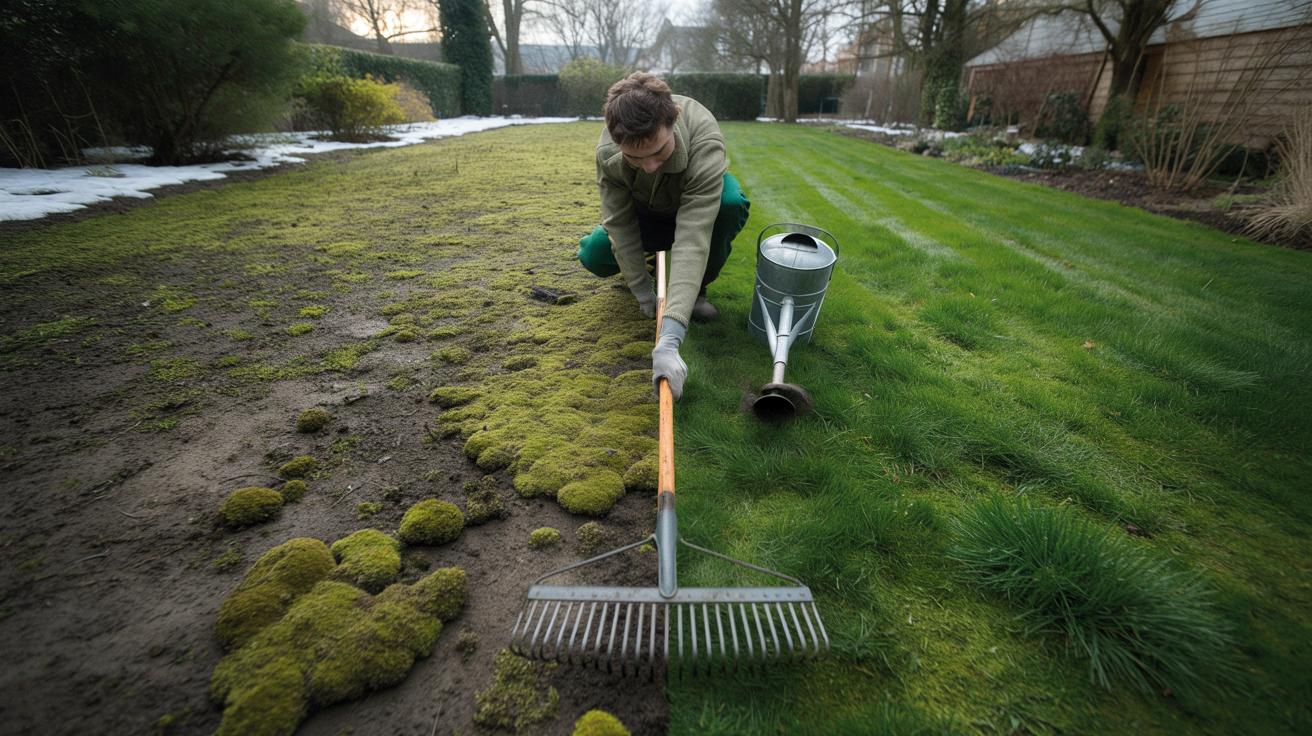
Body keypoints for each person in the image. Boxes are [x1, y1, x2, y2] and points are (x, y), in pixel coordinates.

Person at [577, 73, 750, 400]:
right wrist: (643, 291)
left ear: (674, 122)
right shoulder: (608, 153)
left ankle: (696, 291)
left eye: (659, 151)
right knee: (594, 254)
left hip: (697, 206)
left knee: (730, 205)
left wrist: (670, 338)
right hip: (646, 212)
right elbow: (619, 222)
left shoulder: (704, 138)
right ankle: (651, 264)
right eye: (635, 158)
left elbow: (694, 235)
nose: (650, 166)